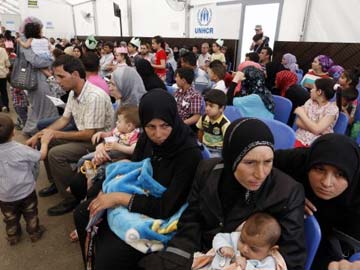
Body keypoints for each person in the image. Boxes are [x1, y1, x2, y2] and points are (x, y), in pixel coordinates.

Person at [140, 118, 306, 270]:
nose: (260, 174)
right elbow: (192, 218)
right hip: (202, 255)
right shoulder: (208, 171)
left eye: (268, 162)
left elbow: (292, 256)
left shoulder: (287, 193)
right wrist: (179, 257)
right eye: (249, 162)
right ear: (231, 158)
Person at [73, 89, 202, 269]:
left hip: (160, 211)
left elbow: (166, 207)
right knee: (82, 212)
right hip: (137, 196)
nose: (158, 134)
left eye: (165, 125)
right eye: (151, 126)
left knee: (109, 256)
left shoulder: (189, 154)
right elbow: (132, 171)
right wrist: (109, 188)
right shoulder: (146, 139)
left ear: (174, 119)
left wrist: (116, 197)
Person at [26, 55, 114, 216]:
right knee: (45, 140)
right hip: (87, 136)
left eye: (61, 76)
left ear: (74, 74)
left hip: (99, 142)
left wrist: (53, 133)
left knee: (55, 153)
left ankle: (71, 197)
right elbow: (64, 119)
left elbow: (90, 134)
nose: (58, 81)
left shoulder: (94, 96)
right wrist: (40, 134)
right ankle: (56, 181)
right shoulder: (75, 92)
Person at [273, 133, 360, 270]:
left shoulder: (356, 198)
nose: (326, 183)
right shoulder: (300, 160)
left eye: (340, 174)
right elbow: (264, 164)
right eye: (320, 169)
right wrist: (291, 192)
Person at [0, 114, 52, 245]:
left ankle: (13, 236)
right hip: (26, 192)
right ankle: (34, 233)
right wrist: (45, 142)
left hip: (5, 196)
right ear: (13, 132)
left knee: (10, 218)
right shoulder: (20, 149)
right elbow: (41, 155)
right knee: (31, 213)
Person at [193, 212, 283, 270]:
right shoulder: (235, 239)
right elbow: (219, 237)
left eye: (253, 249)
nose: (244, 249)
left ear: (271, 250)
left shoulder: (268, 262)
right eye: (242, 241)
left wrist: (245, 265)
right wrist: (223, 247)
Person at [18, 17, 59, 136]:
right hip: (35, 79)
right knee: (45, 104)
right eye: (40, 28)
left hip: (41, 78)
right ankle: (39, 130)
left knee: (41, 106)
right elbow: (36, 61)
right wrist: (51, 60)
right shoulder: (25, 41)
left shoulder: (35, 41)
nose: (42, 31)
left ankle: (38, 130)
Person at [294, 78, 339, 147]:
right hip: (299, 137)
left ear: (319, 92)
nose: (311, 90)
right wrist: (317, 129)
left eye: (313, 88)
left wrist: (302, 114)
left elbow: (317, 129)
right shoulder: (310, 102)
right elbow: (298, 122)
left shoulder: (332, 109)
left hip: (316, 144)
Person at [196, 89, 230, 158]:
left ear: (221, 108)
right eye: (206, 105)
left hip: (217, 150)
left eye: (211, 106)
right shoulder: (204, 117)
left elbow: (227, 142)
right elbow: (200, 131)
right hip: (204, 146)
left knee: (210, 162)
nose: (207, 108)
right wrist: (200, 145)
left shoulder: (225, 124)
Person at [0, 37, 10, 112]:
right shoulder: (3, 50)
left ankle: (1, 106)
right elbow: (8, 63)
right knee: (4, 91)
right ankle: (6, 106)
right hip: (3, 74)